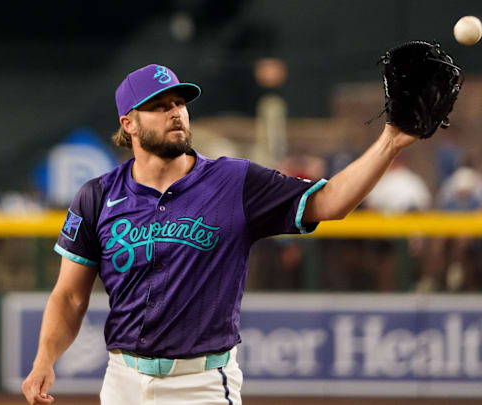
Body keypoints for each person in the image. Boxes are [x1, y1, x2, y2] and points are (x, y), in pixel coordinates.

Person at [22, 64, 418, 404]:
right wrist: (44, 360)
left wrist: (390, 141)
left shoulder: (234, 181)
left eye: (179, 103)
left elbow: (329, 201)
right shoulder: (98, 196)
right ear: (129, 123)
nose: (175, 113)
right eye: (159, 107)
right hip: (122, 382)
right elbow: (71, 295)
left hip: (202, 385)